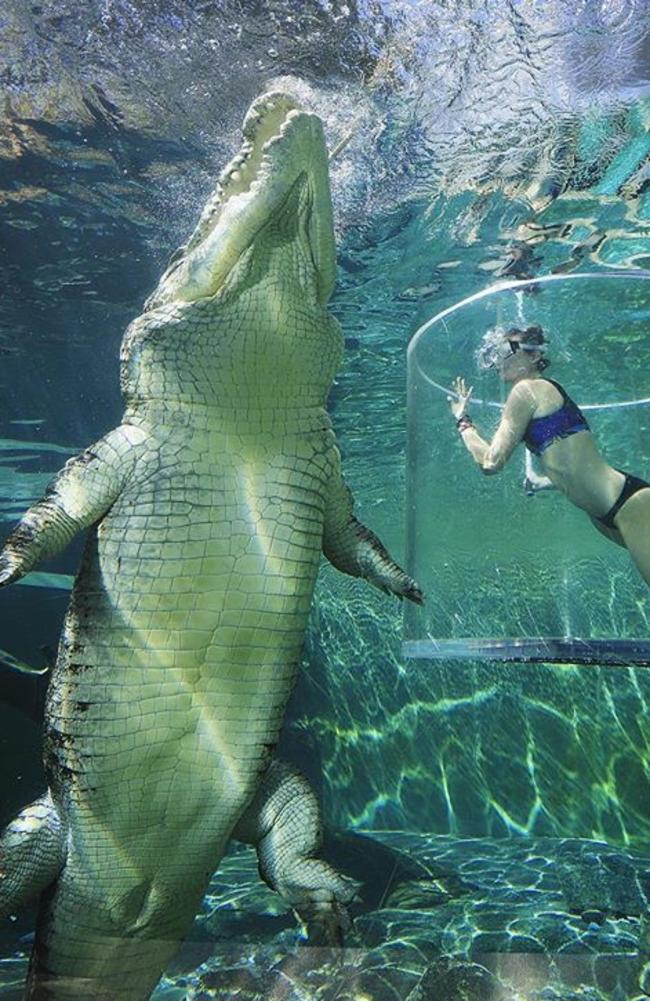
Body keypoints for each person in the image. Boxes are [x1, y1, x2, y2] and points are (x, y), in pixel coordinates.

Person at [449, 324, 650, 585]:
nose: (498, 358)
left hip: (627, 505)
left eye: (507, 350)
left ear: (533, 356)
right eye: (497, 351)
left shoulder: (526, 391)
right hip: (613, 510)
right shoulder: (541, 392)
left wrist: (462, 421)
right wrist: (545, 482)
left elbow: (490, 462)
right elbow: (573, 461)